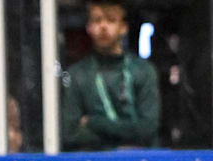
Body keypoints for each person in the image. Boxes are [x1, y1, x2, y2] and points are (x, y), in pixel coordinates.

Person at [61, 0, 160, 150]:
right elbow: (71, 134)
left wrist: (94, 123)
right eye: (97, 20)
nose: (103, 27)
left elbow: (148, 129)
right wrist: (128, 136)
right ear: (89, 27)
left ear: (123, 27)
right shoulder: (77, 74)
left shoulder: (143, 71)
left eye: (111, 20)